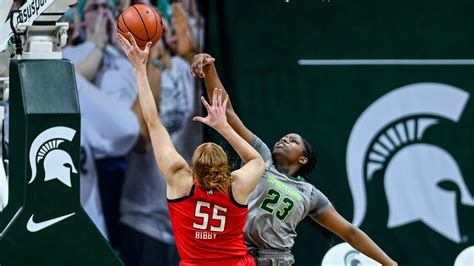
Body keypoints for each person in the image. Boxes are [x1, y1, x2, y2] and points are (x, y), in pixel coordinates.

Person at [191, 53, 398, 266]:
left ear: (302, 159)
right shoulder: (261, 157)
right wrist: (208, 67)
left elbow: (350, 231)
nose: (284, 139)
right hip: (240, 254)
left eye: (292, 141)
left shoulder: (310, 194)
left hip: (277, 259)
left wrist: (390, 263)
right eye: (284, 137)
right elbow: (226, 111)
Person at [117, 33, 266, 266]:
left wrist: (139, 68)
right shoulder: (236, 186)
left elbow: (153, 121)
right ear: (226, 167)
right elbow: (257, 160)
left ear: (192, 168)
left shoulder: (180, 180)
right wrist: (224, 127)